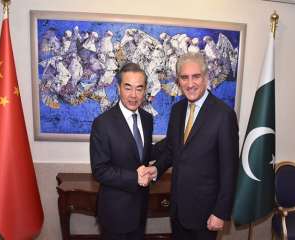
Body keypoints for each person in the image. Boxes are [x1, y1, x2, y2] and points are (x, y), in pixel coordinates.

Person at [144, 52, 239, 240]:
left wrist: (220, 212)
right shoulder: (177, 110)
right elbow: (173, 149)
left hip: (206, 213)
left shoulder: (224, 115)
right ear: (178, 81)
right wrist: (157, 169)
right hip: (178, 209)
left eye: (196, 77)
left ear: (206, 78)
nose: (190, 83)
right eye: (184, 78)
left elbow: (230, 169)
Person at [90, 62, 153, 240]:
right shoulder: (102, 123)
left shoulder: (148, 119)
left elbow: (142, 153)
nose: (134, 95)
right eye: (128, 88)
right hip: (114, 215)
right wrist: (135, 177)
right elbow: (99, 170)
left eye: (139, 89)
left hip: (140, 211)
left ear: (145, 90)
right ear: (118, 88)